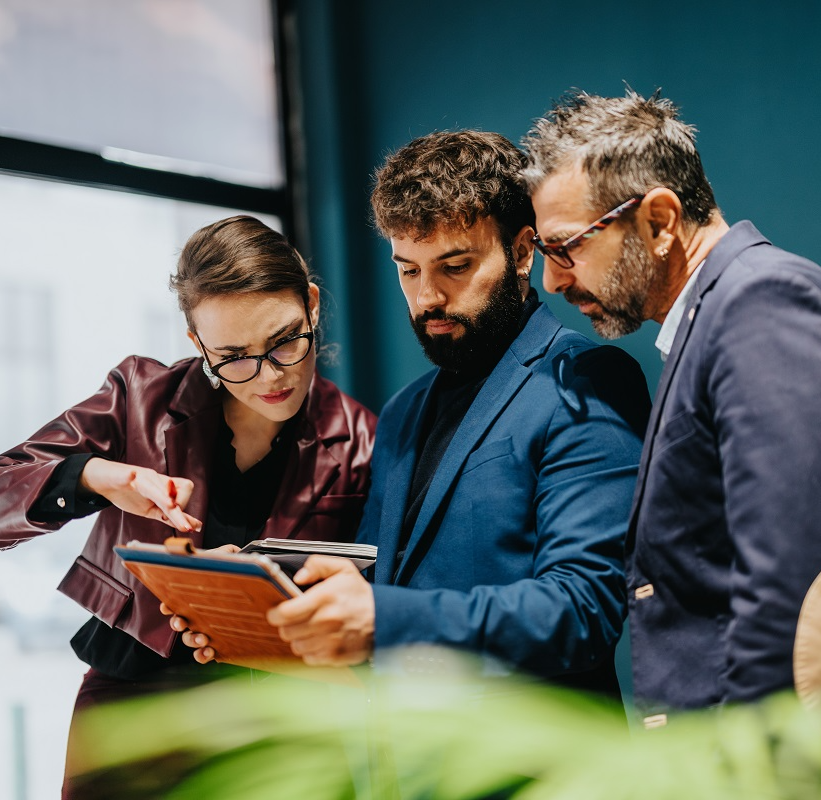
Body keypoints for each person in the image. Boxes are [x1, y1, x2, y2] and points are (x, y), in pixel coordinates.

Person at [521, 89, 821, 795]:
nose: (552, 279)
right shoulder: (722, 316)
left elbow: (796, 596)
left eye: (564, 247)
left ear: (659, 219)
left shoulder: (762, 307)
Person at [175, 131, 650, 696]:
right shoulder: (402, 413)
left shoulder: (586, 379)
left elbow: (583, 610)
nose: (427, 298)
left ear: (523, 252)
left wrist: (381, 618)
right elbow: (386, 583)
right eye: (408, 270)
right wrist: (268, 612)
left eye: (454, 266)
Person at [0, 215, 376, 795]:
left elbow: (378, 599)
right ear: (197, 343)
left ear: (312, 304)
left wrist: (251, 600)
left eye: (284, 342)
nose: (268, 376)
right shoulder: (138, 400)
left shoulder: (360, 439)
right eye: (233, 355)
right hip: (134, 702)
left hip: (283, 717)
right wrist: (97, 476)